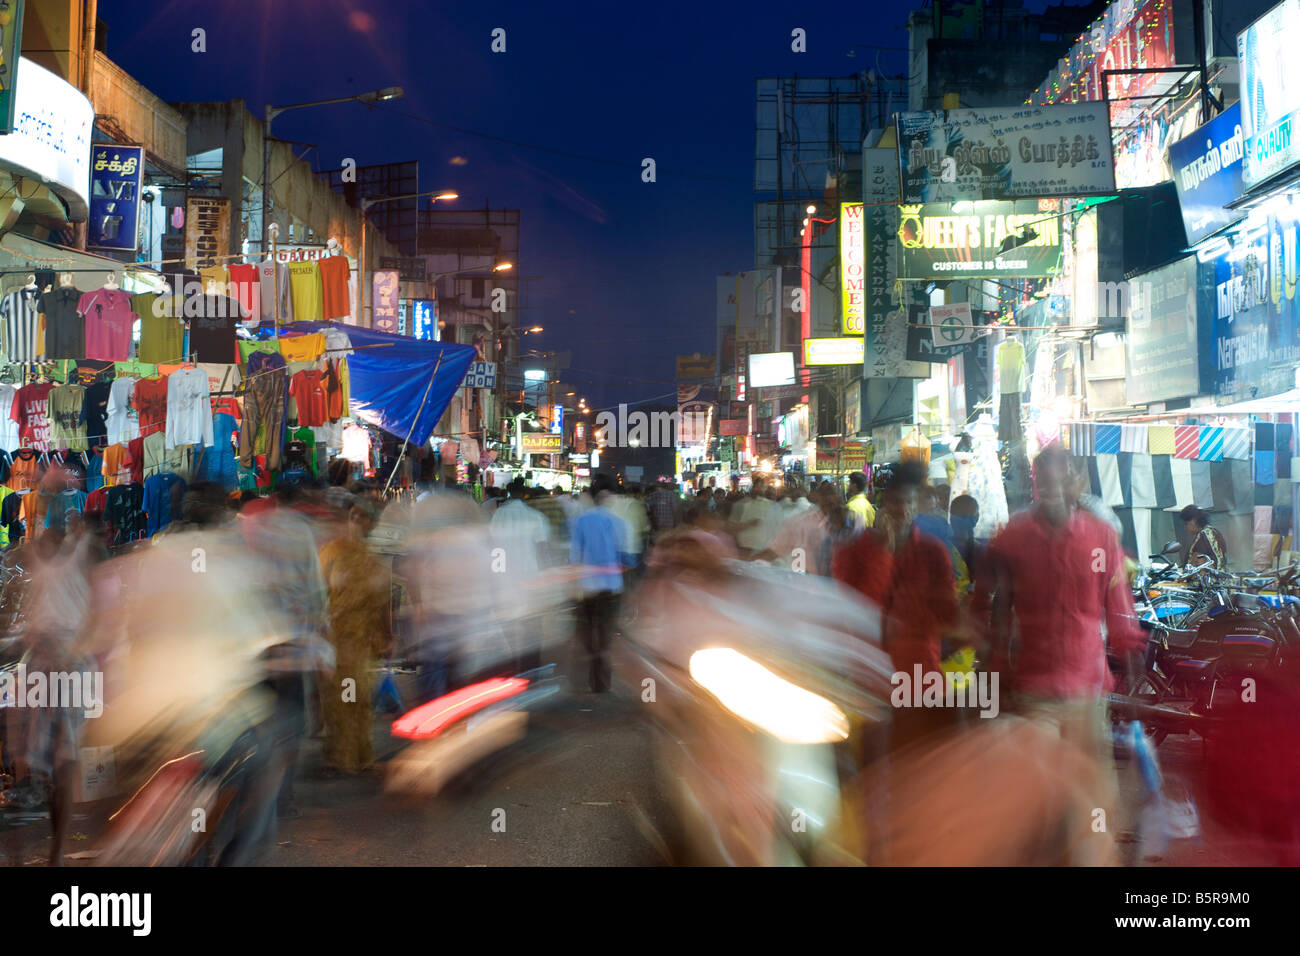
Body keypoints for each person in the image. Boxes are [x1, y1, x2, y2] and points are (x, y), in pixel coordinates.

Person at [976, 444, 1145, 836]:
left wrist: (1133, 683)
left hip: (1087, 689)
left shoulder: (1102, 537)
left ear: (1076, 482)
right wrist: (994, 673)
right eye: (1044, 481)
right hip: (1036, 689)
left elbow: (1120, 614)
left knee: (1091, 798)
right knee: (1038, 794)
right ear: (1036, 483)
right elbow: (994, 609)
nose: (1052, 487)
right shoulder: (1013, 540)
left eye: (1060, 478)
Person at [832, 462, 960, 722]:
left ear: (917, 506)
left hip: (920, 674)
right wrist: (884, 553)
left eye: (908, 502)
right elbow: (854, 610)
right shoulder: (855, 550)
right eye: (895, 502)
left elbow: (948, 611)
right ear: (883, 504)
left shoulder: (932, 550)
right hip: (872, 676)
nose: (902, 510)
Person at [317, 496, 393, 773]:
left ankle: (359, 756)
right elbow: (319, 594)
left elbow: (384, 602)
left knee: (358, 700)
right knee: (337, 701)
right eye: (353, 516)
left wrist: (387, 636)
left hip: (363, 640)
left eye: (363, 517)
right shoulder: (331, 552)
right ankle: (339, 757)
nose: (357, 522)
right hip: (334, 637)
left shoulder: (374, 558)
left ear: (372, 523)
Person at [569, 474, 634, 692]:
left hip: (587, 587)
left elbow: (574, 556)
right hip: (611, 586)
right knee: (606, 633)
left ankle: (592, 665)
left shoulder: (581, 521)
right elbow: (626, 557)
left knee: (587, 630)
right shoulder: (620, 523)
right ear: (608, 498)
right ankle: (602, 680)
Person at [1180, 505, 1228, 571]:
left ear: (1194, 520)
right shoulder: (1215, 532)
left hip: (1208, 579)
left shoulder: (1202, 536)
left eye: (1186, 524)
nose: (1186, 528)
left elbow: (1196, 564)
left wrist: (1182, 577)